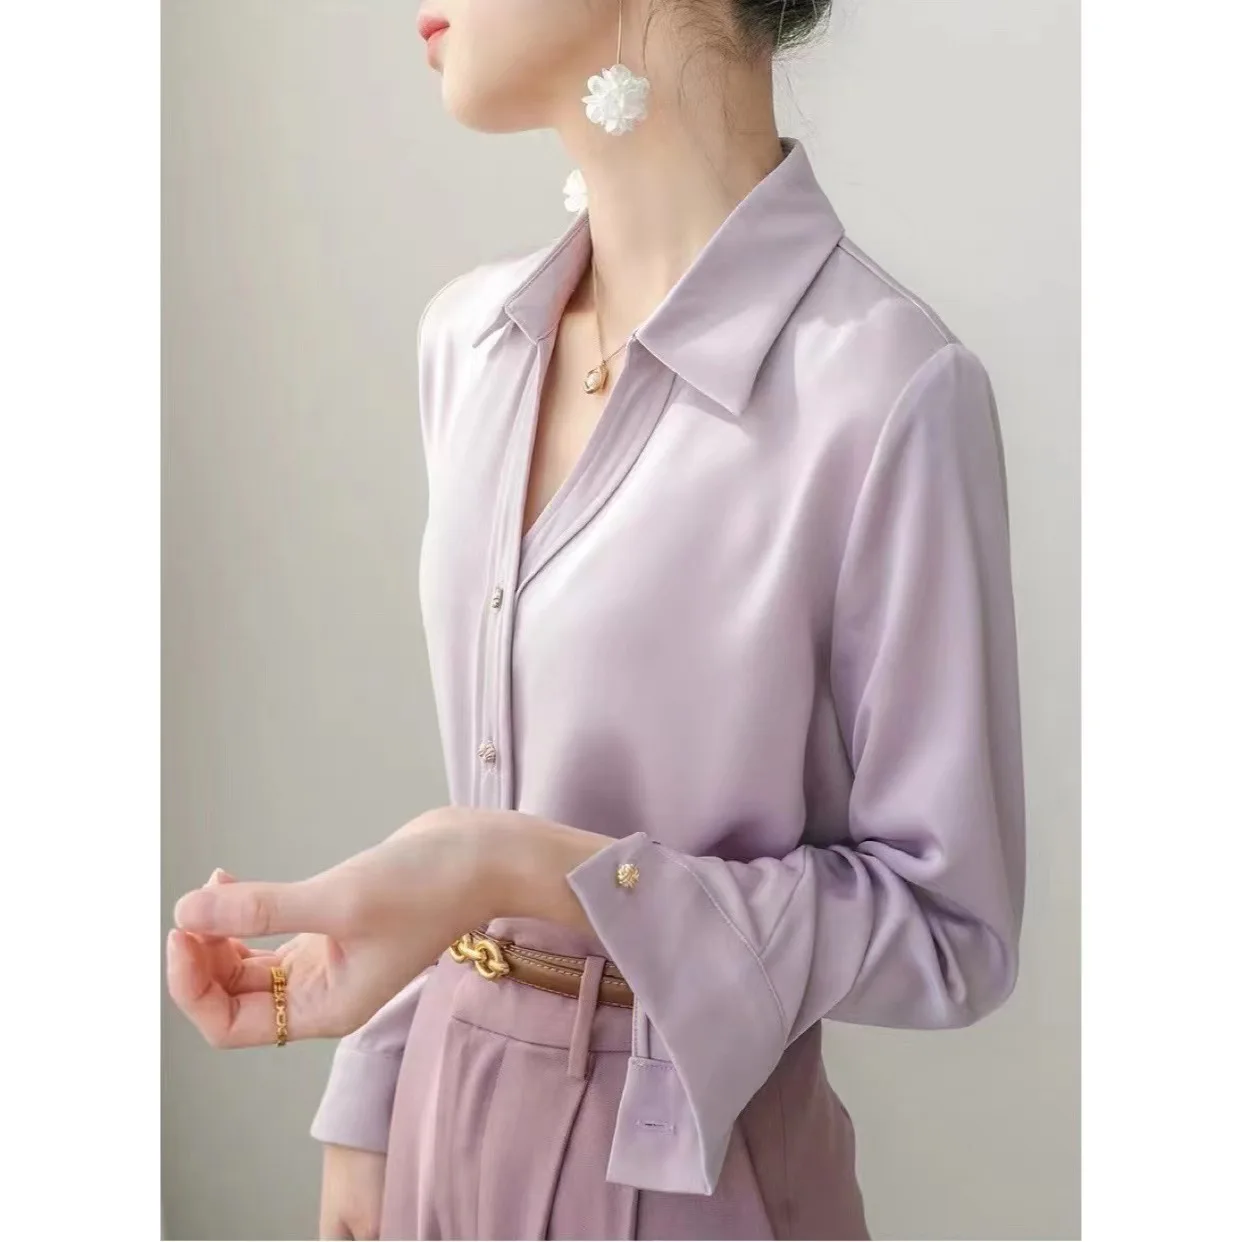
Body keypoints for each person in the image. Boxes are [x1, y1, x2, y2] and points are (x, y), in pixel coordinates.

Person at [167, 0, 1027, 1237]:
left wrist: (519, 870)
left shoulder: (884, 389)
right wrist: (373, 1092)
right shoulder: (471, 345)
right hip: (432, 1130)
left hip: (688, 1174)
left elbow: (952, 932)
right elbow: (494, 782)